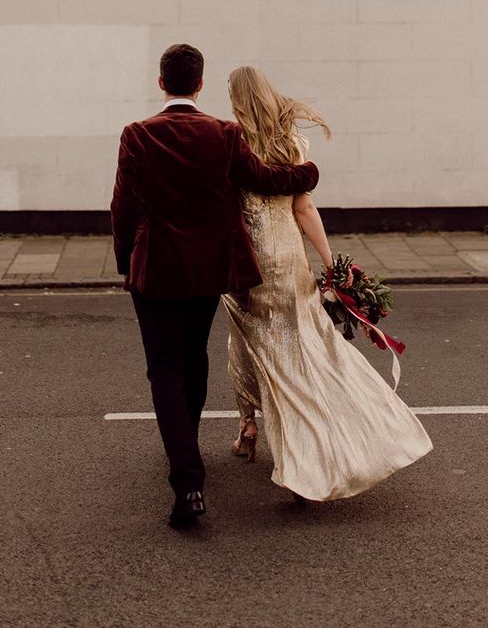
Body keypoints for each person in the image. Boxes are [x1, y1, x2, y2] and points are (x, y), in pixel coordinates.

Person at [110, 45, 320, 528]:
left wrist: (128, 263)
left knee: (164, 369)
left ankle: (187, 480)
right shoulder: (223, 133)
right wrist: (308, 172)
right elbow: (264, 179)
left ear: (161, 83)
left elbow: (122, 208)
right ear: (199, 84)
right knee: (194, 358)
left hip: (155, 271)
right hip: (207, 271)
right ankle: (187, 443)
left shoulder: (138, 134)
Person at [222, 66, 432, 502]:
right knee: (301, 346)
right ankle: (260, 424)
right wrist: (329, 260)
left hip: (248, 265)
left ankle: (287, 444)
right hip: (289, 259)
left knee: (255, 348)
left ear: (238, 99)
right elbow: (304, 209)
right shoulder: (292, 144)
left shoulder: (232, 144)